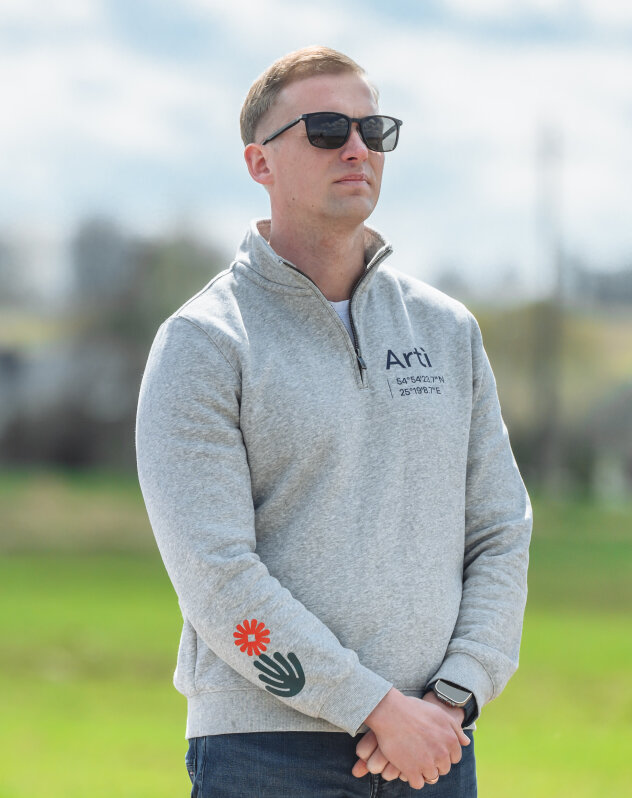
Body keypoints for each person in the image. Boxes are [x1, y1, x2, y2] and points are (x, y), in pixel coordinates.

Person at [135, 46, 531, 796]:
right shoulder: (204, 342)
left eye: (372, 130)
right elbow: (216, 577)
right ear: (259, 162)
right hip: (265, 753)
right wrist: (373, 707)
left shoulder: (448, 331)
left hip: (435, 745)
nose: (356, 148)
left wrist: (454, 696)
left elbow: (500, 529)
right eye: (325, 129)